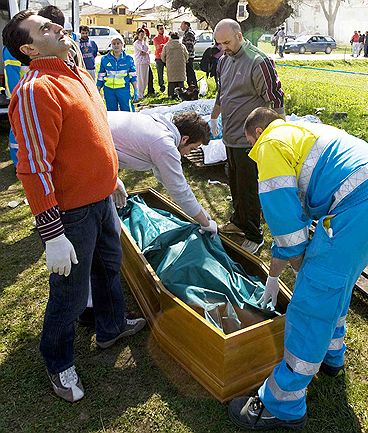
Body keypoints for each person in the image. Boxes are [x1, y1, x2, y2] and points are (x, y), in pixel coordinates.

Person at [3, 9, 146, 403]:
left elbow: (91, 134)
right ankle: (58, 360)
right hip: (71, 213)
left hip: (101, 200)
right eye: (44, 28)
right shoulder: (35, 90)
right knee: (69, 291)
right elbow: (32, 167)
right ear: (29, 48)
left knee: (108, 268)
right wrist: (52, 234)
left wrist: (111, 176)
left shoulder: (78, 73)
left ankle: (110, 326)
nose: (57, 27)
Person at [228, 107, 368, 429]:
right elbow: (294, 219)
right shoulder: (300, 133)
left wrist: (299, 266)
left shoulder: (269, 143)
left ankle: (282, 404)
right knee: (337, 284)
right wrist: (275, 274)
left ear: (254, 133)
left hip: (357, 207)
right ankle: (332, 356)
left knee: (311, 300)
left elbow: (283, 218)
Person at [210, 19, 285, 254]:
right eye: (219, 43)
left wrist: (281, 135)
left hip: (250, 139)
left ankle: (254, 233)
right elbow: (222, 94)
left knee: (249, 187)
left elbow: (276, 99)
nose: (223, 48)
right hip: (230, 135)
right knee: (234, 182)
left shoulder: (258, 62)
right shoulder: (223, 61)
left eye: (227, 42)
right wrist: (214, 118)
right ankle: (239, 220)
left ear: (240, 36)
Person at [107, 110, 217, 234]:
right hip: (87, 147)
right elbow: (179, 190)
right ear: (185, 139)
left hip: (94, 138)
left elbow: (164, 177)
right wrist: (205, 223)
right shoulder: (165, 145)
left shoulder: (160, 126)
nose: (188, 153)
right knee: (109, 227)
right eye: (192, 149)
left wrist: (200, 212)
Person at [2, 46, 28, 167]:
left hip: (29, 94)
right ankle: (19, 164)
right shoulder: (12, 48)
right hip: (21, 95)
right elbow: (12, 73)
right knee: (18, 127)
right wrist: (18, 96)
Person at [97, 35, 137, 111]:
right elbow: (101, 76)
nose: (116, 45)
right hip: (109, 91)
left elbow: (133, 76)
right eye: (114, 43)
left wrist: (136, 89)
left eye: (118, 43)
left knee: (127, 112)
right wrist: (98, 90)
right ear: (111, 45)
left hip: (123, 90)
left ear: (122, 44)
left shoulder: (128, 59)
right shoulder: (105, 59)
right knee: (112, 113)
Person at [161, 31, 189, 99]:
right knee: (180, 80)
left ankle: (171, 95)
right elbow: (187, 55)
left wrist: (166, 62)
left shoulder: (166, 46)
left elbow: (162, 57)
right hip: (180, 66)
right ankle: (182, 95)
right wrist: (185, 61)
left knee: (171, 81)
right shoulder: (182, 46)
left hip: (170, 66)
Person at [133, 28, 151, 99]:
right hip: (140, 62)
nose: (142, 36)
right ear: (138, 35)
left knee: (145, 79)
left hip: (146, 62)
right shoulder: (136, 43)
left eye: (143, 34)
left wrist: (146, 52)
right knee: (140, 79)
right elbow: (143, 51)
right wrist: (146, 52)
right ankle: (139, 94)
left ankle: (142, 92)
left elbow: (148, 51)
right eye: (141, 35)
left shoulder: (145, 42)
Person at [181, 21, 197, 88]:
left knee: (190, 71)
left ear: (186, 25)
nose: (181, 27)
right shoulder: (186, 33)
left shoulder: (189, 33)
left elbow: (189, 46)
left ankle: (193, 85)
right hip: (188, 56)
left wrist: (186, 56)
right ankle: (191, 85)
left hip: (189, 56)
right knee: (188, 71)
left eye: (182, 25)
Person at [153, 23, 169, 93]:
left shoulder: (167, 37)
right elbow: (157, 47)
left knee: (170, 72)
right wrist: (164, 45)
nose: (162, 30)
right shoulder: (155, 38)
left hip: (167, 57)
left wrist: (163, 45)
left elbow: (169, 46)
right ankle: (161, 86)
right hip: (159, 57)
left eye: (163, 28)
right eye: (161, 29)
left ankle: (171, 85)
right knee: (160, 73)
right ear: (157, 30)